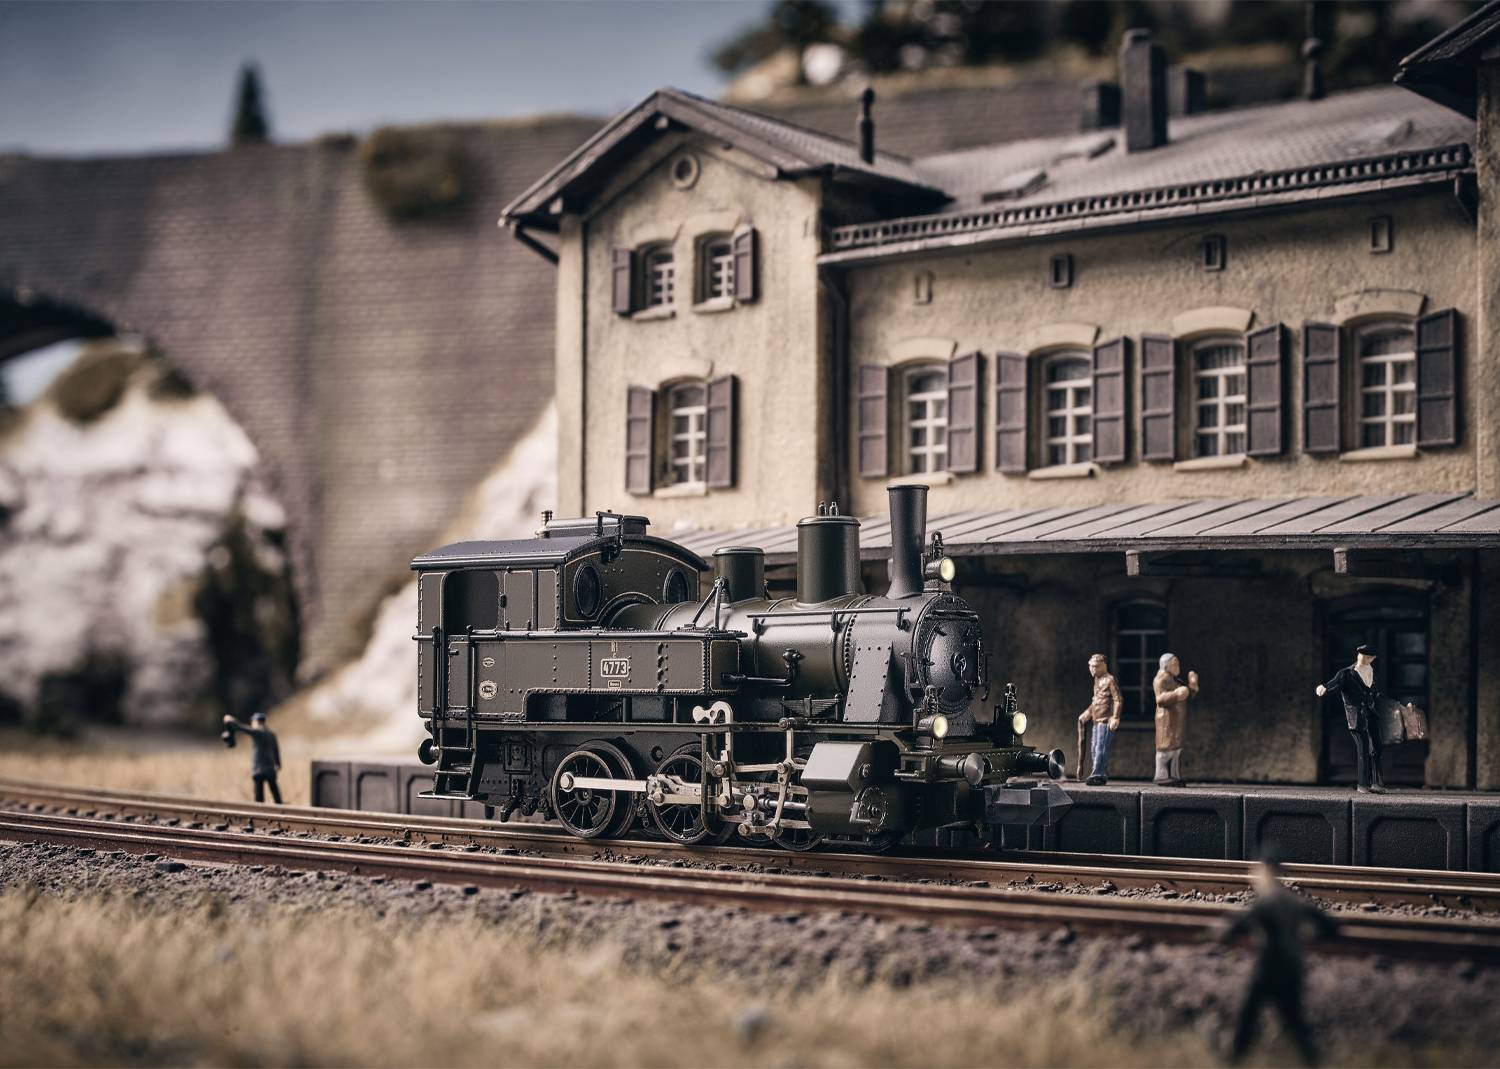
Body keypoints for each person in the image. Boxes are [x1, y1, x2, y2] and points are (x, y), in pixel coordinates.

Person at [1220, 855, 1338, 1066]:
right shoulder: (1293, 900)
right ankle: (1312, 1060)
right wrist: (1310, 934)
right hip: (1292, 967)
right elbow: (1330, 927)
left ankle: (1234, 1059)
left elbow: (1241, 924)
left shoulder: (1267, 900)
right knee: (1294, 1020)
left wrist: (1222, 934)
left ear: (1266, 873)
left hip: (1268, 968)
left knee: (1249, 1016)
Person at [1315, 644, 1385, 793]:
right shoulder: (1346, 673)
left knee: (1376, 747)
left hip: (1371, 713)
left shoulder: (1372, 672)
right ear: (1358, 655)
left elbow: (1375, 691)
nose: (1365, 659)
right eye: (1363, 656)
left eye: (1369, 657)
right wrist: (1323, 688)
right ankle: (1362, 783)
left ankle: (1376, 782)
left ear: (1372, 659)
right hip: (1356, 716)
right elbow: (1333, 684)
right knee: (1363, 748)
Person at [1152, 653, 1199, 786]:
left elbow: (1184, 691)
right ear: (1166, 665)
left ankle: (1174, 775)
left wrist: (1192, 686)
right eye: (1174, 664)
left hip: (1176, 720)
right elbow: (1160, 700)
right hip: (1166, 720)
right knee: (1165, 748)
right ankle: (1161, 775)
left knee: (1176, 749)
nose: (1177, 666)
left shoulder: (1174, 679)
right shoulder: (1160, 679)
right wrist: (1176, 694)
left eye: (1177, 663)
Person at [1075, 653, 1123, 786]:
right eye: (1090, 666)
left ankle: (1096, 774)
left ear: (1103, 666)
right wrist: (1087, 713)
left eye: (1095, 666)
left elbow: (1117, 699)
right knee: (1094, 748)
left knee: (1101, 748)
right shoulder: (1096, 681)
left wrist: (1115, 717)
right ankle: (1101, 774)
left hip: (1106, 721)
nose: (1092, 669)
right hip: (1096, 721)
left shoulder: (1110, 680)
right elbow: (1096, 701)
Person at [222, 711, 282, 803]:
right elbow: (276, 750)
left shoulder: (258, 732)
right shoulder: (271, 734)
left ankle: (259, 812)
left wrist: (231, 720)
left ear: (256, 721)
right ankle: (281, 810)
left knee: (259, 797)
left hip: (259, 769)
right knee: (275, 793)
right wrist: (278, 763)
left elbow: (242, 728)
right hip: (270, 768)